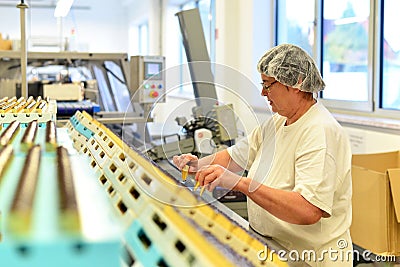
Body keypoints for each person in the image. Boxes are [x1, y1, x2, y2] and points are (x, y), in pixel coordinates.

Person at [173, 43, 352, 266]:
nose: (263, 93)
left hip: (309, 258)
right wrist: (197, 165)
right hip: (274, 249)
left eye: (268, 85)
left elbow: (307, 210)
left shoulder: (319, 131)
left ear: (295, 83)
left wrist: (241, 183)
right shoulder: (277, 122)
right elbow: (235, 157)